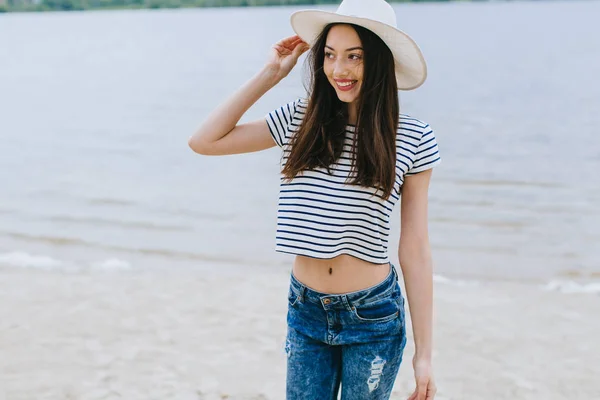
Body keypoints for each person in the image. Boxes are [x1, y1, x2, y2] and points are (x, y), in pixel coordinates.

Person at [188, 0, 440, 398]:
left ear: (379, 62)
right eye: (329, 55)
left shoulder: (412, 136)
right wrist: (270, 74)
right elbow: (204, 141)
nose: (339, 70)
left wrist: (425, 353)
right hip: (305, 309)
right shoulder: (299, 120)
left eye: (354, 57)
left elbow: (416, 246)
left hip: (373, 315)